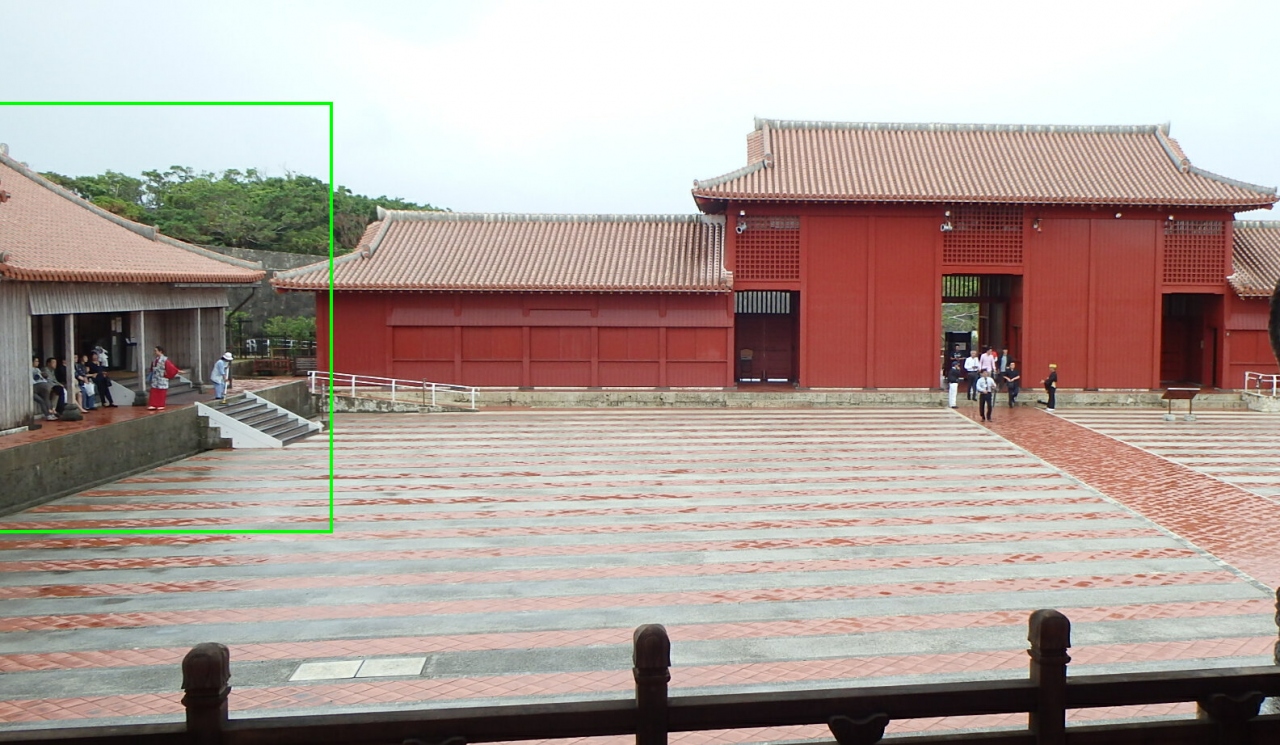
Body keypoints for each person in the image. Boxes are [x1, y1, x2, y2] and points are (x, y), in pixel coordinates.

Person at [148, 345, 172, 410]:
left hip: (162, 377)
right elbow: (152, 368)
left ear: (160, 351)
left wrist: (177, 371)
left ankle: (161, 404)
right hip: (155, 377)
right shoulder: (155, 360)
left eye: (156, 351)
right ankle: (153, 404)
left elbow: (170, 367)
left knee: (161, 391)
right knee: (154, 391)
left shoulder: (165, 359)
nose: (155, 352)